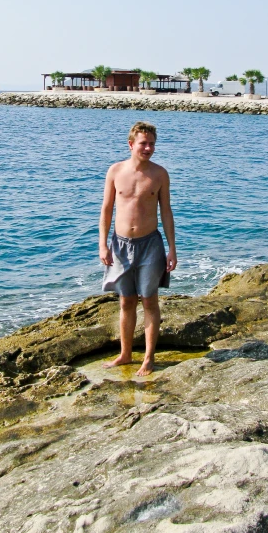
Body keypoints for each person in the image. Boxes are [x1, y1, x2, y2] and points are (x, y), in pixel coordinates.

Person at [99, 121, 177, 376]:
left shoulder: (160, 174)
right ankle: (125, 354)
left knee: (150, 301)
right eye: (144, 143)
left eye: (152, 144)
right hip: (120, 245)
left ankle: (148, 358)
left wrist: (171, 248)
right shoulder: (115, 171)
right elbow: (107, 209)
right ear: (131, 144)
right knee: (126, 301)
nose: (148, 148)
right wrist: (102, 244)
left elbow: (166, 211)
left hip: (150, 245)